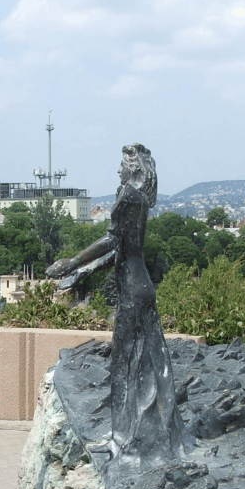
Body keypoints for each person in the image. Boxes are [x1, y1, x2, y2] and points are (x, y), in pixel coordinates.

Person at [46, 143, 191, 463]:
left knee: (123, 365)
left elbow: (112, 240)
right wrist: (81, 272)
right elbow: (121, 250)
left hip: (132, 292)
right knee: (150, 365)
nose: (118, 170)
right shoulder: (140, 198)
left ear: (134, 167)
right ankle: (148, 436)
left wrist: (71, 262)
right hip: (142, 287)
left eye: (123, 165)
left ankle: (122, 441)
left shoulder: (128, 196)